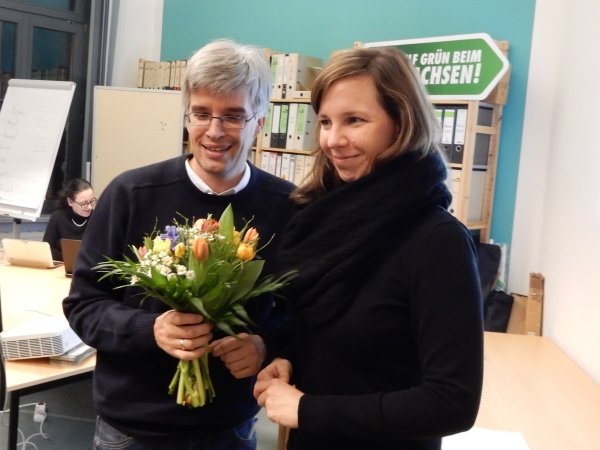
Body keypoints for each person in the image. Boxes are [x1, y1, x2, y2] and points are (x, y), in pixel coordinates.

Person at [63, 39, 296, 450]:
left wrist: (264, 344)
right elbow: (84, 306)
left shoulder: (289, 208)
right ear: (186, 115)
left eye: (234, 116)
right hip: (131, 432)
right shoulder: (131, 194)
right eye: (201, 114)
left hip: (230, 430)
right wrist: (149, 328)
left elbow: (304, 312)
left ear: (260, 120)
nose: (215, 131)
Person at [254, 46, 484, 450]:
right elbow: (326, 337)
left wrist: (307, 409)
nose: (332, 140)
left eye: (355, 121)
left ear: (402, 124)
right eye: (325, 121)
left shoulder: (437, 241)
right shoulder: (321, 218)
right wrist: (287, 358)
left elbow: (452, 402)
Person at [42, 177, 95, 260]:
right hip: (61, 267)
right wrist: (69, 259)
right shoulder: (57, 218)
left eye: (92, 201)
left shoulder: (98, 218)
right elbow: (46, 249)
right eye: (84, 203)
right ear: (70, 202)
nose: (89, 207)